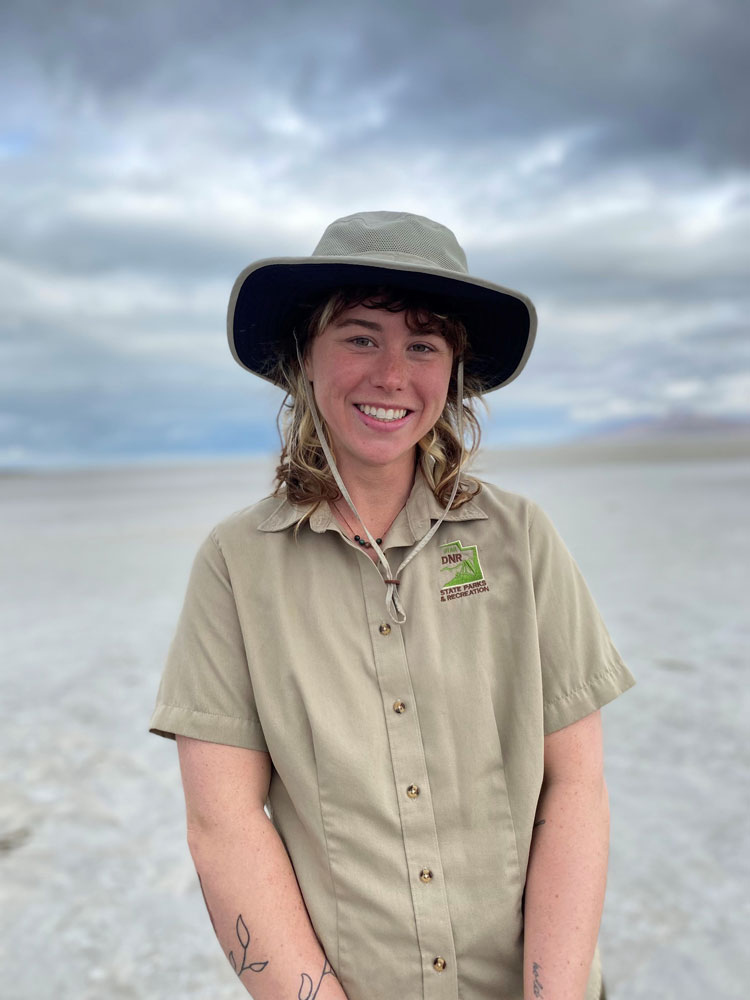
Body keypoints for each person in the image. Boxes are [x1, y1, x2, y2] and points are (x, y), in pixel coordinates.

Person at [149, 210, 636, 1000]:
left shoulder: (518, 539)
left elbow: (576, 788)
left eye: (423, 344)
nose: (391, 375)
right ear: (305, 357)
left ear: (452, 372)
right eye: (360, 336)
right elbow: (224, 825)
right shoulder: (237, 564)